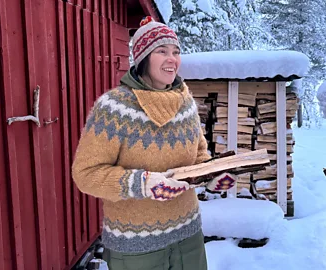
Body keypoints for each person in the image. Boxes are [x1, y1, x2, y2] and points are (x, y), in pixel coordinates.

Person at [72, 16, 236, 270]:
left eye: (176, 51)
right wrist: (143, 183)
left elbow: (199, 155)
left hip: (188, 236)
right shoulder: (114, 108)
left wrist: (212, 176)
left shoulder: (185, 103)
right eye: (162, 51)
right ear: (144, 58)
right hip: (136, 246)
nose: (172, 59)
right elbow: (86, 174)